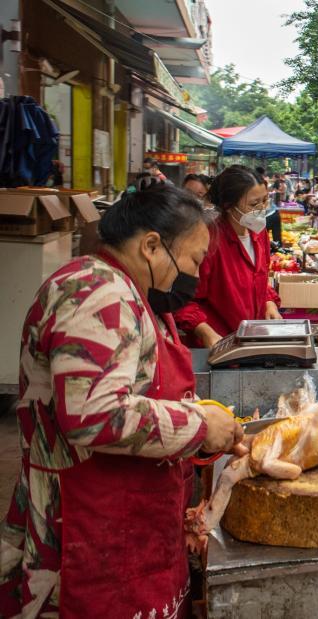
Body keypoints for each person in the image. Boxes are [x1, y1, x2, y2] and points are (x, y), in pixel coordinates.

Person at [0, 185, 244, 616]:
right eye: (192, 260)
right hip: (84, 531)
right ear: (152, 245)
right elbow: (94, 414)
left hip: (126, 519)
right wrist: (200, 425)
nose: (193, 274)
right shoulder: (97, 292)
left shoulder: (131, 292)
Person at [175, 166, 282, 348]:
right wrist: (204, 330)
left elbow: (261, 280)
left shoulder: (259, 232)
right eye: (254, 204)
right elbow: (184, 300)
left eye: (264, 201)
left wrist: (269, 303)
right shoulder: (209, 240)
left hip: (252, 342)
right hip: (218, 345)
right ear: (228, 205)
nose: (262, 209)